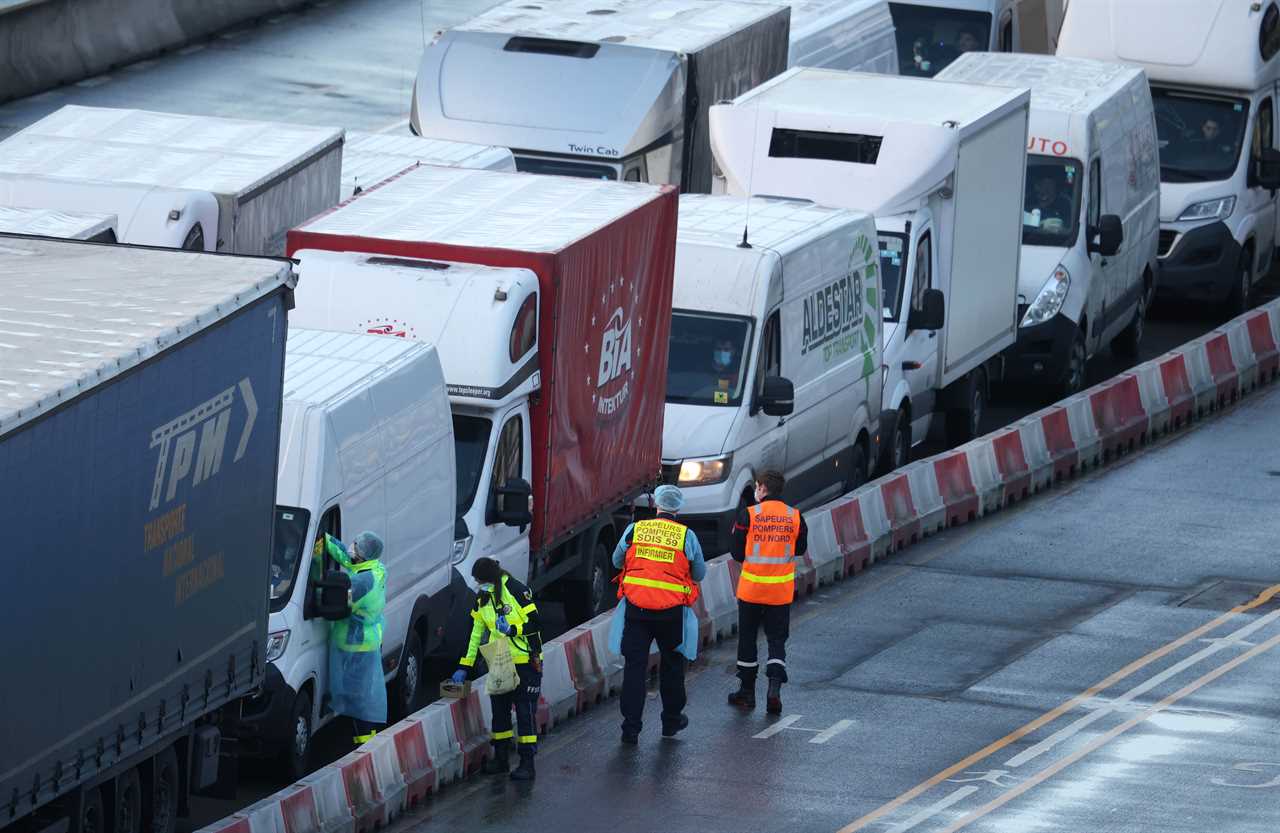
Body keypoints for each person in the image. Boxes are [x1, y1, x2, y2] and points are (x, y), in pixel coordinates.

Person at [609, 484, 706, 744]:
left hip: (636, 611)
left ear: (657, 506)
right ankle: (671, 721)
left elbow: (617, 561)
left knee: (634, 669)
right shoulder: (687, 536)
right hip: (670, 613)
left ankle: (630, 728)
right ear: (677, 508)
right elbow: (698, 574)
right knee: (672, 666)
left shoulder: (635, 529)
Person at [450, 557, 543, 781]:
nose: (479, 585)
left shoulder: (516, 589)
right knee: (499, 711)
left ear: (491, 578)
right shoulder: (482, 599)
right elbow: (475, 635)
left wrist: (512, 629)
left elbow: (535, 623)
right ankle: (500, 759)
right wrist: (465, 665)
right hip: (499, 659)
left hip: (524, 660)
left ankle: (527, 764)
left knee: (524, 712)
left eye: (480, 581)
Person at [727, 471, 807, 715]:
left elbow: (737, 553)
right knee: (776, 639)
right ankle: (774, 688)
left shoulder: (748, 515)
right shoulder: (795, 516)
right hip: (779, 591)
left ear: (761, 488)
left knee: (748, 638)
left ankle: (747, 693)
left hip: (751, 589)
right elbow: (801, 548)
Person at [315, 531, 387, 744]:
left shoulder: (362, 581)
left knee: (358, 700)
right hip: (365, 641)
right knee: (360, 695)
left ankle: (364, 747)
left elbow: (341, 604)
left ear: (364, 553)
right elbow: (345, 557)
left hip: (357, 644)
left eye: (356, 545)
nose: (352, 546)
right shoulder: (372, 568)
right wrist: (323, 537)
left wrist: (317, 598)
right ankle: (366, 741)